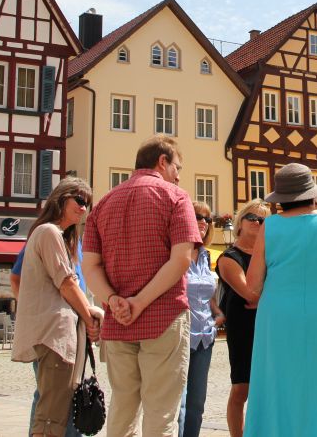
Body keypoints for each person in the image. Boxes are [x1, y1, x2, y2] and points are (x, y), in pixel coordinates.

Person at [82, 135, 201, 437]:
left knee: (123, 406)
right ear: (163, 161)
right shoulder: (176, 197)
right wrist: (141, 302)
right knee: (161, 411)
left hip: (118, 321)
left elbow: (90, 266)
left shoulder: (103, 203)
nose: (178, 175)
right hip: (163, 316)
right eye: (177, 167)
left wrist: (113, 300)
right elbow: (182, 259)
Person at [243, 163, 317, 436]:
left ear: (281, 198)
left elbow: (252, 285)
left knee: (279, 386)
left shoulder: (270, 226)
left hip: (279, 318)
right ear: (312, 193)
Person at [12, 177, 102, 436]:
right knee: (51, 414)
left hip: (60, 333)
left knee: (56, 409)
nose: (84, 208)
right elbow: (66, 283)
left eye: (88, 204)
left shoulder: (64, 238)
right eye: (80, 200)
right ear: (62, 199)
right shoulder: (49, 232)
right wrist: (88, 317)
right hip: (53, 334)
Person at [217, 198, 268, 437]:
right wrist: (272, 295)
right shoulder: (230, 257)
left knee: (267, 387)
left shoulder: (270, 255)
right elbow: (249, 293)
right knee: (241, 388)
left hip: (269, 325)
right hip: (243, 328)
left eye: (263, 220)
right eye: (253, 218)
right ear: (240, 222)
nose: (258, 223)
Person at [178, 201, 225, 437]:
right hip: (180, 337)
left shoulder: (206, 256)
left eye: (208, 218)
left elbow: (206, 295)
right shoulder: (177, 252)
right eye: (197, 216)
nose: (203, 222)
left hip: (205, 339)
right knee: (179, 403)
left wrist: (218, 315)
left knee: (197, 404)